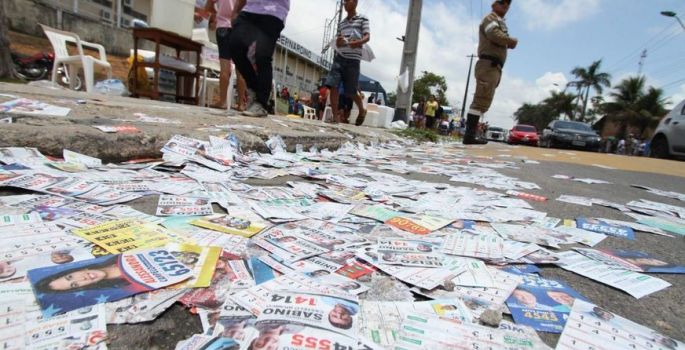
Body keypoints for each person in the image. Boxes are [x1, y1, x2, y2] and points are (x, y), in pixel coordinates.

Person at [464, 0, 517, 144]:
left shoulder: (499, 21)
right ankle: (469, 136)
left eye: (508, 4)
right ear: (494, 5)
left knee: (484, 100)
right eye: (502, 2)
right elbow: (493, 34)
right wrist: (509, 41)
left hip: (494, 66)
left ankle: (471, 135)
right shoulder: (491, 18)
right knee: (480, 99)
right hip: (488, 64)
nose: (505, 6)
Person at [229, 0, 290, 117]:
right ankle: (255, 88)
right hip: (250, 8)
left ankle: (261, 103)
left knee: (262, 55)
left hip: (274, 11)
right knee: (235, 45)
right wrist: (236, 11)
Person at [325, 0, 370, 125]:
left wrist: (359, 42)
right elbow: (339, 39)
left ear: (355, 2)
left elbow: (367, 36)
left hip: (353, 60)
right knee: (333, 84)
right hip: (339, 57)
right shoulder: (342, 23)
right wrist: (338, 41)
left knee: (350, 91)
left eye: (347, 0)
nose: (344, 3)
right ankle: (335, 117)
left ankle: (362, 110)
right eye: (344, 1)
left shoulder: (363, 19)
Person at [204, 0, 247, 111]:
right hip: (239, 28)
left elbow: (208, 5)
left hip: (222, 27)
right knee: (240, 69)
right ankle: (241, 104)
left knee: (224, 68)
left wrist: (216, 13)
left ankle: (223, 101)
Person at [33, 255, 133, 293]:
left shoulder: (110, 256)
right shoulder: (127, 286)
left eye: (70, 277)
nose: (82, 279)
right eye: (75, 284)